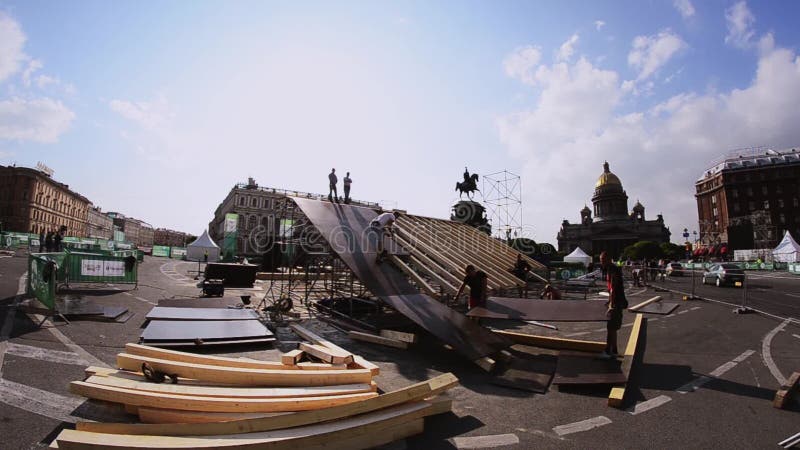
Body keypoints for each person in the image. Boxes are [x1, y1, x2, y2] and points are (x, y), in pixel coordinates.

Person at [600, 251, 627, 359]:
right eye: (601, 260)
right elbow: (611, 289)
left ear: (608, 259)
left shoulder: (613, 270)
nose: (601, 262)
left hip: (617, 302)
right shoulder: (610, 269)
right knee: (613, 328)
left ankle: (607, 351)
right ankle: (614, 350)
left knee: (610, 327)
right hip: (616, 301)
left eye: (603, 260)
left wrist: (611, 304)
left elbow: (614, 288)